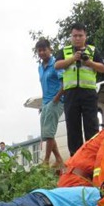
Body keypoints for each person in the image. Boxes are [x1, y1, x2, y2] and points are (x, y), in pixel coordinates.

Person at [55, 24, 104, 156]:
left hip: (88, 93)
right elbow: (57, 65)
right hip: (71, 94)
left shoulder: (93, 51)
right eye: (75, 36)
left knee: (92, 127)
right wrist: (73, 58)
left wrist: (89, 62)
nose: (77, 38)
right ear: (71, 37)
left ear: (85, 36)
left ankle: (94, 157)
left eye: (80, 35)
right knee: (73, 128)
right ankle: (76, 159)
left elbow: (103, 68)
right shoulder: (65, 51)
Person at [35, 38, 65, 167]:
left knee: (49, 133)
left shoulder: (56, 64)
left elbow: (65, 83)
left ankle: (46, 161)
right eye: (39, 51)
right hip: (46, 102)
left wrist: (56, 98)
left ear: (50, 49)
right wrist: (43, 104)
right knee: (46, 133)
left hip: (56, 100)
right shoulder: (40, 68)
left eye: (44, 50)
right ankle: (58, 159)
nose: (42, 53)